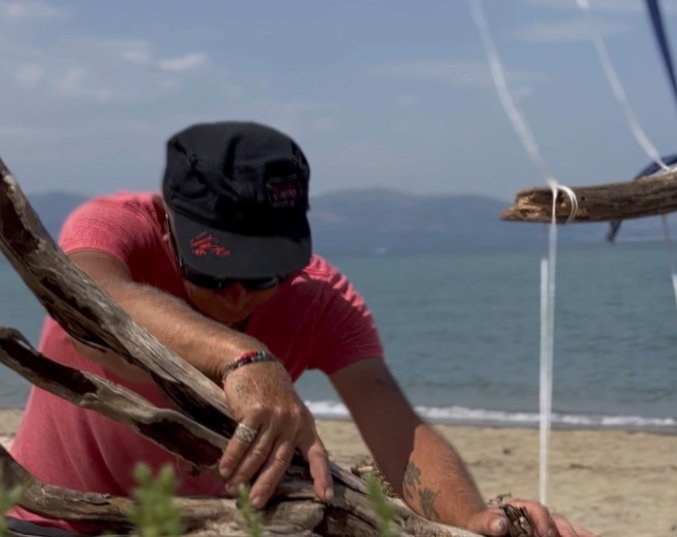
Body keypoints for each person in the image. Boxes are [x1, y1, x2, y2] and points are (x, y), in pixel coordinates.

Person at [5, 121, 596, 537]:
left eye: (262, 273)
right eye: (214, 270)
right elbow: (87, 299)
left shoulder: (320, 297)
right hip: (50, 519)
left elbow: (398, 431)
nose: (237, 294)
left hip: (209, 526)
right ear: (168, 224)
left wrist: (473, 520)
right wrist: (244, 356)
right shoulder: (114, 228)